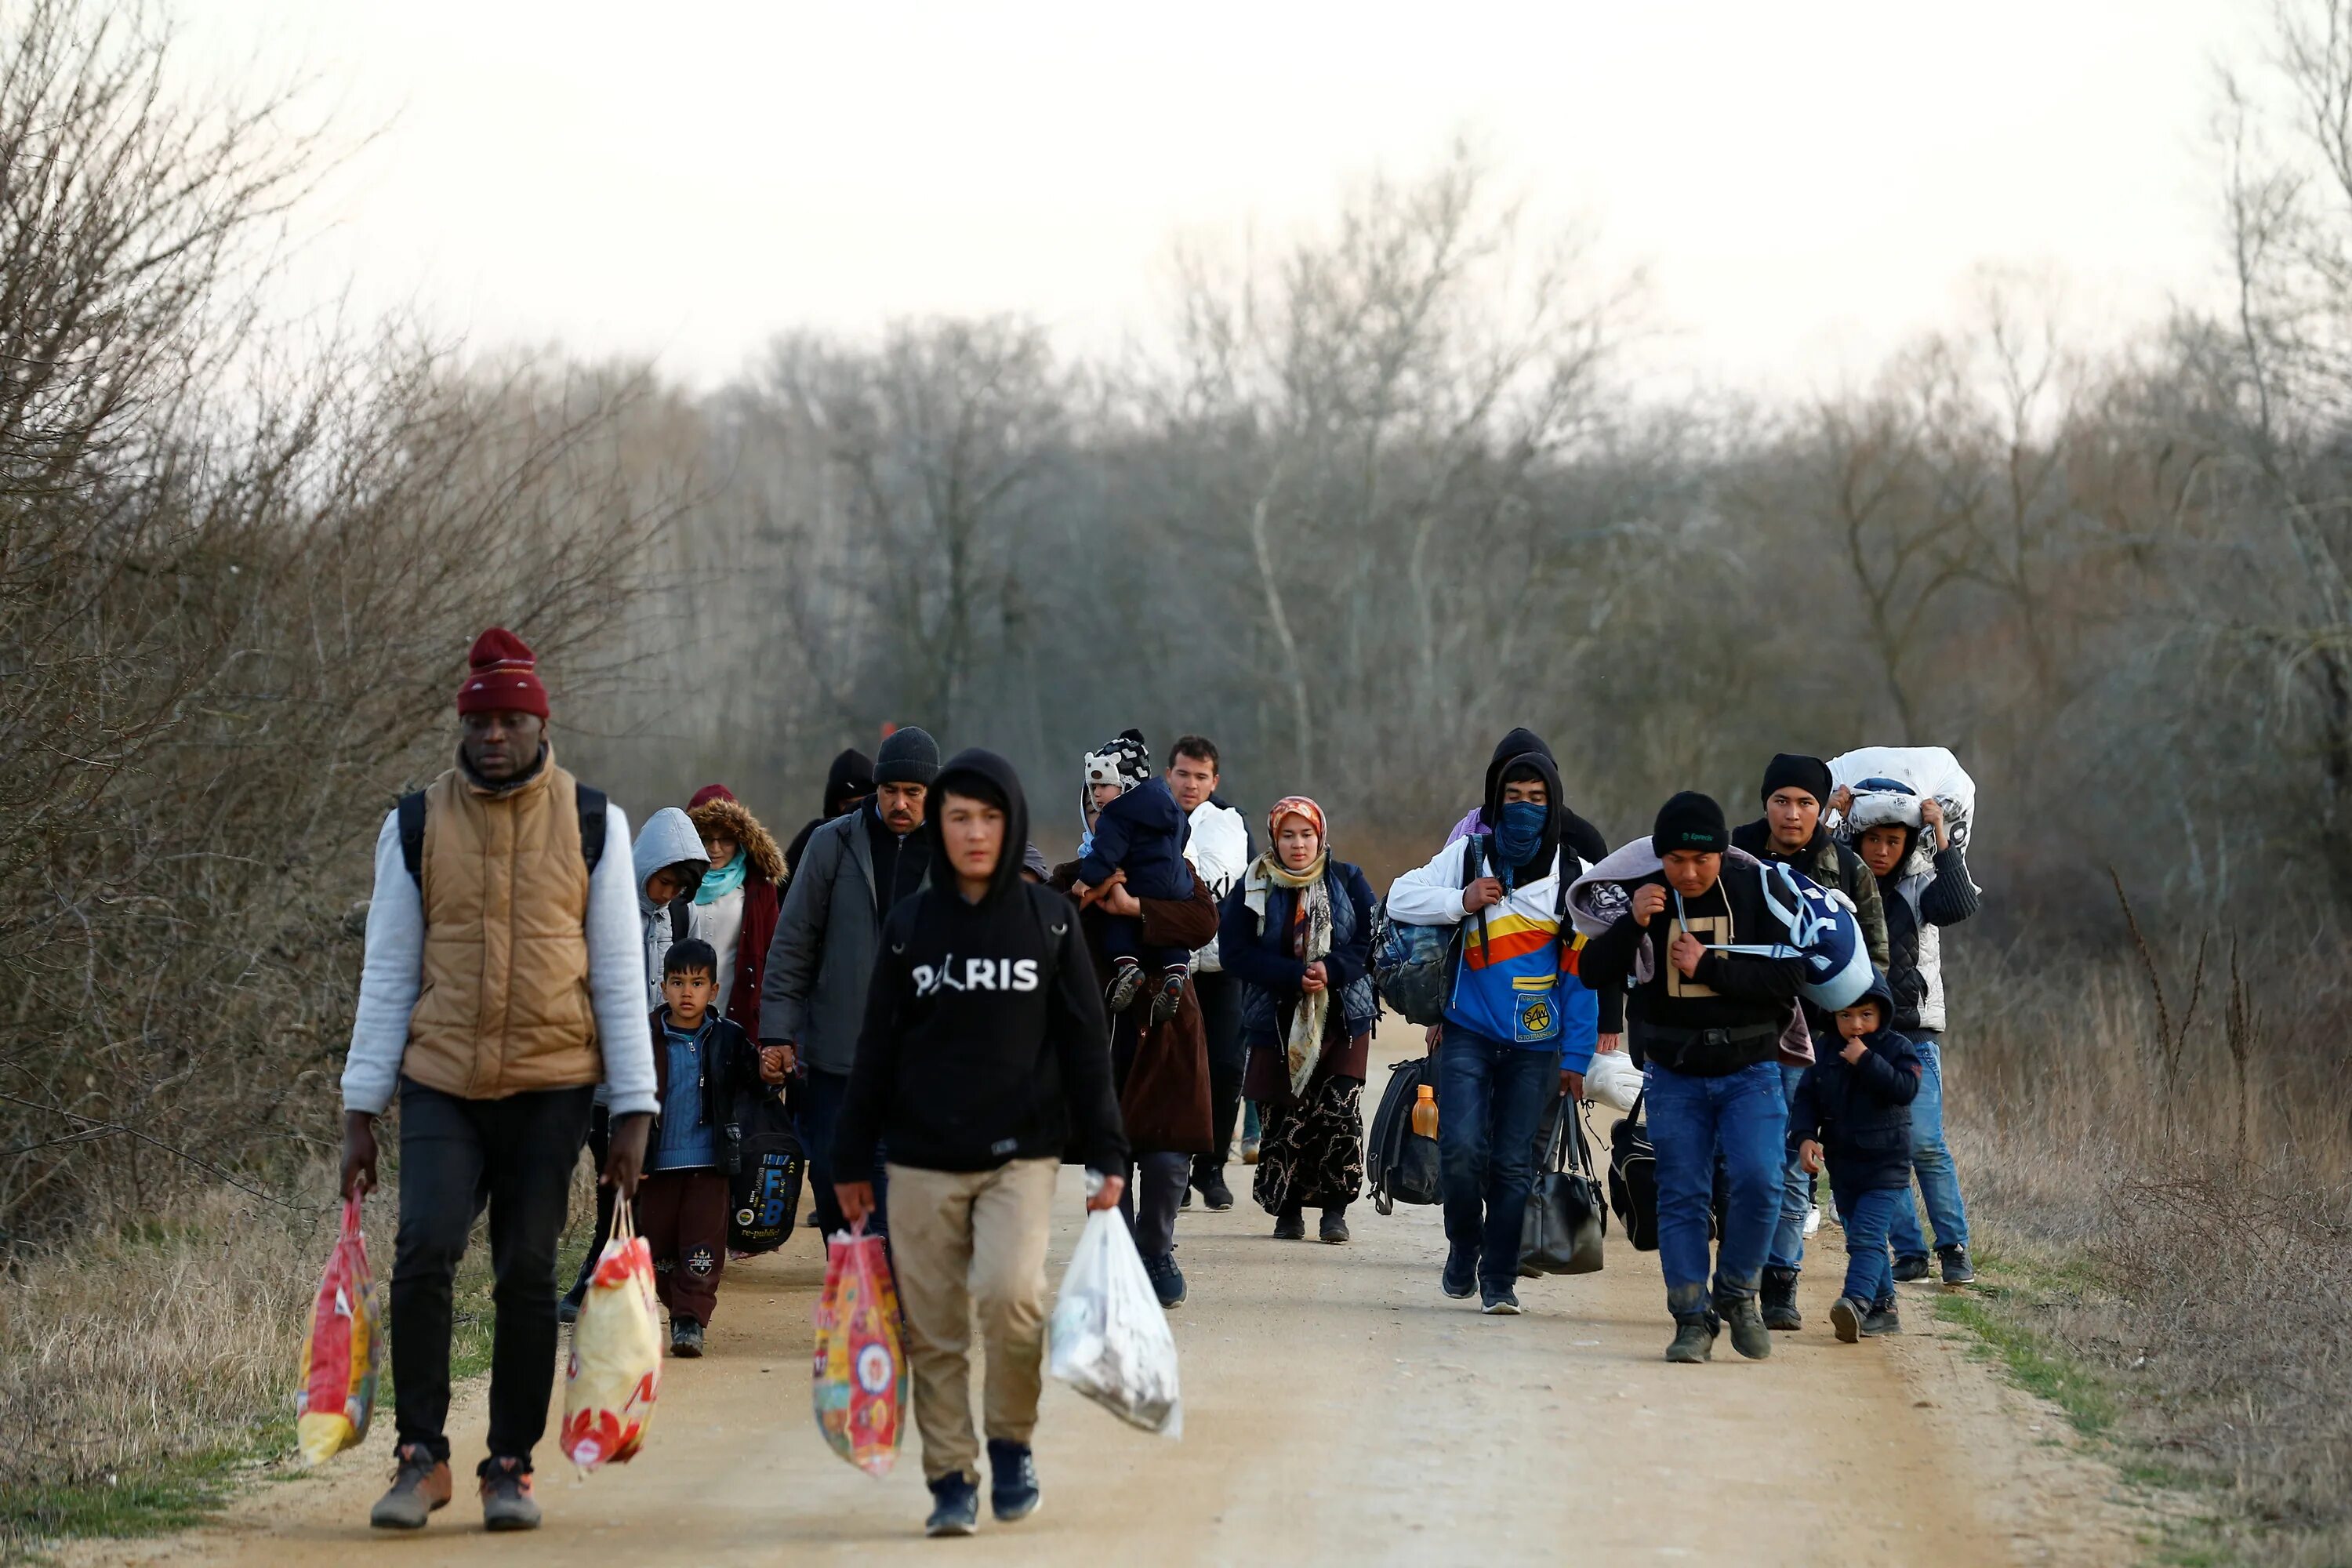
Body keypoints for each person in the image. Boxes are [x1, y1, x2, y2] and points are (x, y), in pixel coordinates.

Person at [339, 628, 654, 1533]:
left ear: (540, 724)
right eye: (480, 721)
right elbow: (389, 971)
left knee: (525, 1268)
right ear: (462, 725)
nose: (494, 737)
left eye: (512, 721)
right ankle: (420, 1455)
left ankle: (509, 1464)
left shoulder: (595, 822)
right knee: (425, 1244)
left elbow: (620, 977)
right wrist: (362, 1110)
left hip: (553, 1083)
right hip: (443, 1079)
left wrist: (634, 1110)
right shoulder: (413, 824)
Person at [833, 749, 1128, 1538]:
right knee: (932, 1327)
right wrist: (850, 1157)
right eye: (959, 815)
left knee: (1011, 1297)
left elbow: (1084, 1045)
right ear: (939, 823)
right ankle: (950, 1476)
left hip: (1019, 1155)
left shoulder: (1051, 921)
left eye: (989, 817)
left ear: (1013, 824)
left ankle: (1010, 1443)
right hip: (920, 1159)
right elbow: (876, 1050)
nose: (973, 831)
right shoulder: (910, 927)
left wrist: (1108, 1149)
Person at [1577, 792, 1806, 1364]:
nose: (1688, 872)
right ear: (1660, 858)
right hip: (1674, 1073)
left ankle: (1738, 1292)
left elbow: (1788, 981)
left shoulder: (1754, 891)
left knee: (1761, 1181)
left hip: (1751, 1069)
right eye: (1676, 860)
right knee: (1681, 1195)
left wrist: (1708, 968)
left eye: (1701, 860)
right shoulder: (1644, 896)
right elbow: (1591, 971)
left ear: (1721, 853)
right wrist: (1633, 925)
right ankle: (1690, 1318)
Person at [1385, 734, 1602, 1316]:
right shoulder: (1468, 856)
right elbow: (1399, 897)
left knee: (1512, 1164)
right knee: (1459, 1150)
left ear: (1554, 802)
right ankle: (1463, 1245)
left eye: (1537, 796)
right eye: (1513, 795)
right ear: (1494, 799)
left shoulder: (1575, 873)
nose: (1525, 806)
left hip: (1538, 1046)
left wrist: (1578, 1058)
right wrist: (1461, 900)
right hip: (1467, 1032)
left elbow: (1583, 977)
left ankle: (1498, 1277)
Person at [1730, 753, 1889, 1334]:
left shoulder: (1846, 870)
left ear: (1823, 809)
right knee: (1741, 1160)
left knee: (1794, 1163)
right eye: (1781, 801)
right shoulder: (1733, 860)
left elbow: (1875, 965)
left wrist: (1859, 1040)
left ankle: (1779, 1283)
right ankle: (1738, 1277)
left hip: (1817, 1046)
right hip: (1740, 1035)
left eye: (1805, 803)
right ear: (1764, 803)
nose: (1792, 814)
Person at [760, 727, 938, 1237]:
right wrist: (777, 1033)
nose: (899, 803)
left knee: (905, 1190)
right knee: (840, 1187)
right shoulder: (831, 844)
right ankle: (860, 1295)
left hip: (922, 1056)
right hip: (839, 1056)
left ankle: (897, 1306)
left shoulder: (952, 852)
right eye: (889, 791)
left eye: (913, 792)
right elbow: (793, 943)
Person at [1054, 778, 1218, 1311]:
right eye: (1098, 813)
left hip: (1167, 1026)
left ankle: (1156, 1250)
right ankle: (1116, 1254)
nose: (1109, 823)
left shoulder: (1176, 870)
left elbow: (1203, 921)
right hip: (1099, 1032)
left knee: (1169, 1155)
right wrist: (1091, 895)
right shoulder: (1069, 879)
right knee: (1108, 1150)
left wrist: (1134, 908)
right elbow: (1044, 930)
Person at [1218, 797, 1378, 1243]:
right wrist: (1292, 976)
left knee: (1338, 1111)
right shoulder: (1253, 885)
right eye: (1288, 835)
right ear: (1274, 838)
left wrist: (1332, 970)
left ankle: (1334, 1210)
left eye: (1306, 834)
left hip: (1344, 1015)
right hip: (1273, 1017)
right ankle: (1287, 1210)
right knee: (1282, 1116)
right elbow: (1235, 952)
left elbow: (1370, 939)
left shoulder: (1348, 879)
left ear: (1320, 836)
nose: (1298, 844)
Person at [1844, 784, 1981, 1286]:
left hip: (1915, 1033)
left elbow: (1961, 904)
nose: (1881, 850)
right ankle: (1910, 1251)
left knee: (1924, 1143)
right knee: (1883, 1147)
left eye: (1893, 841)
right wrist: (1834, 818)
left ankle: (1954, 1247)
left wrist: (1941, 835)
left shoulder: (1922, 888)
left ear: (1908, 845)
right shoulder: (1843, 885)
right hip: (1859, 1034)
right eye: (1873, 839)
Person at [639, 938, 786, 1356]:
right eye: (677, 982)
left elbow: (757, 1087)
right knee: (659, 1248)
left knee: (703, 1245)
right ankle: (674, 1307)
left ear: (714, 990)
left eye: (698, 983)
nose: (688, 993)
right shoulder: (646, 1036)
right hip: (658, 1165)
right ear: (663, 987)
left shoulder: (728, 1038)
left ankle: (691, 1320)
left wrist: (771, 1074)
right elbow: (625, 1100)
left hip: (710, 1164)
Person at [1789, 971, 1922, 1341]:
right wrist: (1804, 1138)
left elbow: (1905, 1088)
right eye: (1845, 1015)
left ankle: (1856, 1302)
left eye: (1866, 1014)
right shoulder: (1825, 1051)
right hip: (1845, 1167)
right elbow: (1806, 1100)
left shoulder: (1897, 1048)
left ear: (1882, 1013)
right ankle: (1885, 1308)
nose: (1856, 1024)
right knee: (1859, 1237)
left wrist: (1866, 1061)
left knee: (1866, 1234)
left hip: (1887, 1165)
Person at [1168, 735, 1252, 1212]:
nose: (1191, 784)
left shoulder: (1231, 824)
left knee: (1225, 1065)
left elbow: (1237, 885)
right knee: (1176, 1068)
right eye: (1183, 774)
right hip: (1171, 963)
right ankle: (1173, 1171)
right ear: (1169, 775)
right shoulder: (1150, 818)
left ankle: (1212, 1166)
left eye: (1201, 776)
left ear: (1214, 781)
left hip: (1222, 965)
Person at [1070, 728, 1195, 1026]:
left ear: (1124, 784)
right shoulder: (1166, 802)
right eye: (1092, 791)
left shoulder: (1117, 815)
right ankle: (1176, 971)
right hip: (1177, 881)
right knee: (1170, 928)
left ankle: (1127, 966)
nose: (1097, 796)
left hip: (1136, 882)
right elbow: (1185, 831)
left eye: (1102, 787)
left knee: (1117, 920)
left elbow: (1105, 854)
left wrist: (1086, 882)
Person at [684, 784, 787, 1038]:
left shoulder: (758, 888)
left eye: (726, 839)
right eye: (706, 838)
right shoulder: (674, 884)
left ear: (740, 840)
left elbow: (775, 956)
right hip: (678, 1014)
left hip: (738, 1019)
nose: (715, 848)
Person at [633, 807, 709, 1007]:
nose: (668, 894)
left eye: (679, 887)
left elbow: (694, 977)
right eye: (664, 881)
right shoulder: (611, 908)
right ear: (646, 866)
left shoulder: (683, 911)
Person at [786, 746, 875, 879]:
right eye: (848, 804)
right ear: (834, 804)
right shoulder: (814, 838)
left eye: (861, 804)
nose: (855, 811)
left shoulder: (887, 840)